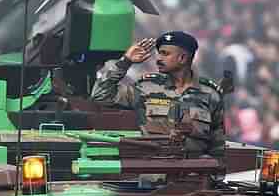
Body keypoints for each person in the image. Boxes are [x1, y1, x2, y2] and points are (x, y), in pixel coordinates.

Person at [91, 31, 225, 159]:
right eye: (159, 54)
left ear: (183, 58)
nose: (158, 59)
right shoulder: (146, 87)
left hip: (194, 178)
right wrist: (125, 61)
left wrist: (213, 179)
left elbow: (217, 146)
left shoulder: (210, 93)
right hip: (154, 175)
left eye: (165, 54)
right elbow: (100, 95)